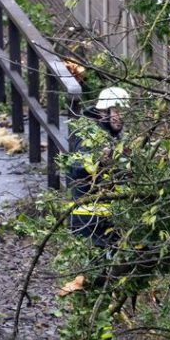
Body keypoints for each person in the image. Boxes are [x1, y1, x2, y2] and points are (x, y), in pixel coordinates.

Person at [67, 86, 129, 247]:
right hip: (88, 221)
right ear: (103, 112)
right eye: (117, 112)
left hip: (111, 220)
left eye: (124, 112)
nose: (121, 117)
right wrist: (98, 160)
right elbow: (76, 167)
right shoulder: (89, 134)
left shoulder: (116, 137)